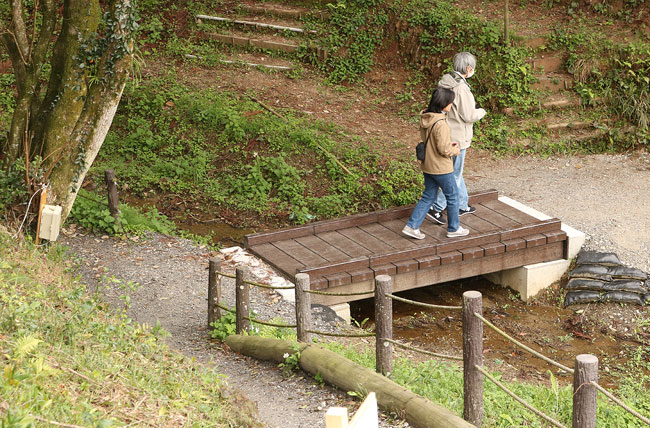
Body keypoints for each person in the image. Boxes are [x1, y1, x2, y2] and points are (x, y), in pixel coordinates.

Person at [402, 87, 470, 240]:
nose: (451, 105)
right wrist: (455, 150)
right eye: (450, 102)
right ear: (444, 103)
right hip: (441, 168)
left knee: (428, 196)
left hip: (428, 165)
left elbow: (432, 142)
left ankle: (412, 226)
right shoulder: (441, 124)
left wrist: (447, 144)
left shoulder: (426, 118)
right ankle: (454, 228)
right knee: (452, 196)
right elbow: (444, 149)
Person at [428, 52, 486, 225]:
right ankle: (436, 207)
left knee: (455, 172)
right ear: (468, 68)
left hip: (446, 131)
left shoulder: (447, 81)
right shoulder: (461, 88)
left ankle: (461, 205)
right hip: (458, 137)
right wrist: (482, 112)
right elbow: (469, 115)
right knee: (454, 175)